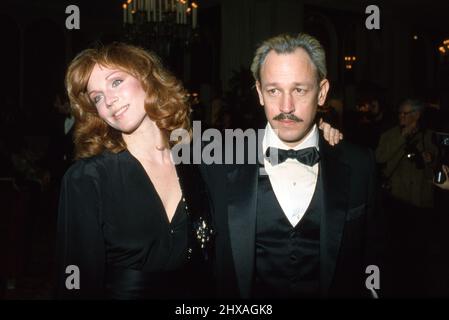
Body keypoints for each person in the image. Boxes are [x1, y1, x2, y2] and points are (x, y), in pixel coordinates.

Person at [203, 33, 383, 299]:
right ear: (259, 93)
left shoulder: (358, 164)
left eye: (299, 90)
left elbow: (374, 253)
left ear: (321, 93)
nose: (286, 106)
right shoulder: (219, 162)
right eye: (274, 90)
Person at [56, 43, 215, 299]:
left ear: (147, 78)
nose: (108, 100)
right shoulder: (87, 179)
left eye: (116, 82)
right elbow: (77, 285)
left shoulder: (197, 162)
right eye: (96, 97)